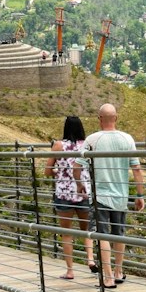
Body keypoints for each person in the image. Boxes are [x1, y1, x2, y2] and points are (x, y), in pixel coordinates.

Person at [83, 103, 142, 287]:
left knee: (103, 236)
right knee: (119, 235)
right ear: (116, 118)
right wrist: (140, 195)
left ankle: (107, 278)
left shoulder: (92, 139)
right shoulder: (127, 139)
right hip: (121, 195)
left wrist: (79, 186)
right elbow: (137, 168)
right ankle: (118, 271)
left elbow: (77, 166)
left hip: (100, 195)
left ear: (99, 119)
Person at [46, 115, 92, 279]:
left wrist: (58, 171)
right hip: (83, 191)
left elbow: (47, 170)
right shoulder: (87, 145)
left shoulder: (58, 145)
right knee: (87, 231)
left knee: (66, 233)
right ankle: (91, 260)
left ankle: (70, 271)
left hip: (64, 193)